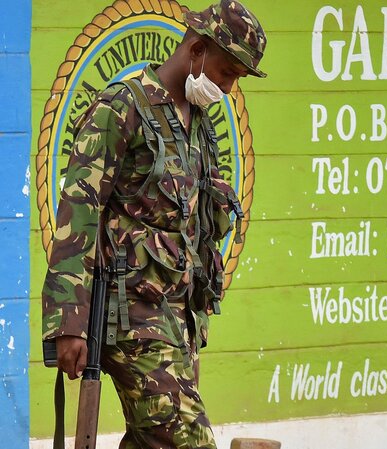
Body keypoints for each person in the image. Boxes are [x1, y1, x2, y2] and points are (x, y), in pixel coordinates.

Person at [40, 1, 266, 447]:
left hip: (177, 318)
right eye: (227, 72)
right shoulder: (122, 106)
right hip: (130, 316)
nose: (227, 86)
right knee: (189, 440)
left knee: (151, 441)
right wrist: (69, 322)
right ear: (197, 50)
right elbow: (78, 211)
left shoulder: (198, 125)